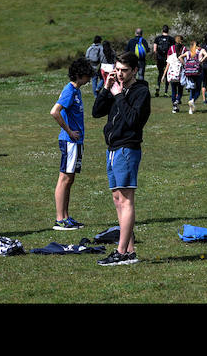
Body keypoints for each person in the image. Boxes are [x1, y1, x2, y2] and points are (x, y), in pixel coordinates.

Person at [92, 51, 152, 266]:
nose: (119, 74)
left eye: (124, 71)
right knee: (117, 199)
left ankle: (122, 252)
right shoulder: (116, 87)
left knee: (126, 200)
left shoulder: (141, 92)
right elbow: (97, 112)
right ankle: (129, 249)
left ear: (135, 70)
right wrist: (107, 89)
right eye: (117, 70)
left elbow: (133, 121)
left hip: (127, 149)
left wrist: (118, 95)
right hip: (113, 149)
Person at [49, 57, 93, 230]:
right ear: (80, 75)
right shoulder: (69, 90)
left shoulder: (76, 91)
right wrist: (69, 131)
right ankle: (60, 219)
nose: (90, 78)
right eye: (88, 75)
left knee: (70, 179)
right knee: (64, 179)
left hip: (76, 142)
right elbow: (54, 112)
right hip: (70, 142)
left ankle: (66, 216)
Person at [163, 35, 185, 113]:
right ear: (181, 41)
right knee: (180, 90)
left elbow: (168, 63)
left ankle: (174, 106)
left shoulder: (171, 49)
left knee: (173, 90)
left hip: (172, 73)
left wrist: (163, 76)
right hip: (180, 73)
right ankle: (177, 100)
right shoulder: (184, 49)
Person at [153, 25, 176, 97]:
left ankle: (158, 87)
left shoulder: (157, 38)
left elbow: (154, 50)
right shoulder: (171, 39)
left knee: (160, 73)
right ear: (168, 30)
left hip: (159, 58)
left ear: (162, 30)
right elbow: (173, 50)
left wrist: (156, 57)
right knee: (167, 74)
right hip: (168, 58)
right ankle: (166, 92)